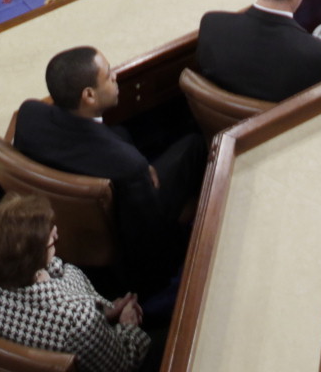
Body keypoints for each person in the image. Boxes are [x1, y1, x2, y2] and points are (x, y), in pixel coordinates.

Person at [12, 45, 204, 288]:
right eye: (108, 74)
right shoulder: (128, 166)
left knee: (124, 132)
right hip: (128, 254)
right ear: (89, 96)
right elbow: (149, 238)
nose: (115, 76)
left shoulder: (29, 115)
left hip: (68, 231)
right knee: (193, 145)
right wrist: (140, 166)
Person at [0, 193, 155, 372]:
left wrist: (102, 311)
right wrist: (127, 326)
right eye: (51, 239)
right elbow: (122, 367)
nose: (56, 232)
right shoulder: (75, 320)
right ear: (32, 262)